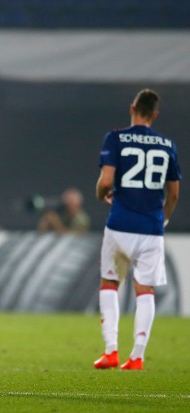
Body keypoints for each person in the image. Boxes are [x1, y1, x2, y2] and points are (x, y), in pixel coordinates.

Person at [93, 89, 181, 371]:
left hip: (119, 225)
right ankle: (138, 356)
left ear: (133, 108)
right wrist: (163, 219)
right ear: (155, 114)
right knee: (145, 290)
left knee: (109, 283)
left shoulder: (116, 138)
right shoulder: (168, 145)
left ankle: (111, 351)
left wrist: (101, 194)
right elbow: (174, 194)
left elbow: (106, 183)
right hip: (151, 229)